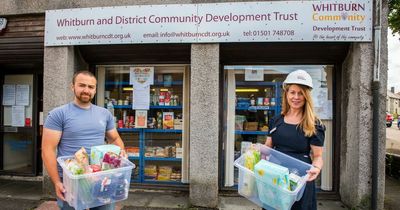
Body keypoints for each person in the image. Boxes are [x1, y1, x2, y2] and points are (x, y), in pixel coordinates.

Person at [42, 70, 126, 210]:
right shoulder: (58, 114)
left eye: (91, 87)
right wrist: (56, 182)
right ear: (72, 86)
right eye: (82, 85)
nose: (86, 90)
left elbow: (115, 138)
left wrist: (121, 153)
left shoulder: (104, 114)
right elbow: (47, 150)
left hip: (100, 175)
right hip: (71, 178)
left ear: (95, 90)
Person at [264, 69, 325, 210]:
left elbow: (318, 156)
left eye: (300, 93)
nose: (296, 97)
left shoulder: (314, 124)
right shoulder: (276, 120)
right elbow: (267, 148)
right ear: (286, 94)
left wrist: (316, 168)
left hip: (300, 179)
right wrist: (256, 150)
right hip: (275, 177)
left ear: (306, 96)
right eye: (292, 92)